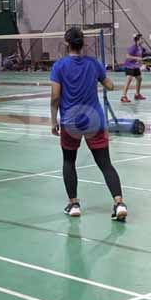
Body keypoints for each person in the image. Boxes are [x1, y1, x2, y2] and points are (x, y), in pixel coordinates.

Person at [51, 27, 127, 221]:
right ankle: (119, 203)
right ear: (83, 43)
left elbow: (55, 97)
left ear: (67, 43)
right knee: (106, 164)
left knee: (69, 161)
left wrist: (54, 120)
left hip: (70, 122)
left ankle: (74, 203)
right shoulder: (94, 64)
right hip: (95, 121)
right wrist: (101, 78)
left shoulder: (59, 66)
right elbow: (110, 85)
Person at [120, 33, 148, 103]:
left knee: (139, 78)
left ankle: (137, 95)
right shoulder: (133, 47)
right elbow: (127, 56)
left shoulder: (140, 48)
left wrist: (141, 63)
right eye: (141, 38)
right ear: (137, 40)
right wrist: (137, 58)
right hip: (129, 65)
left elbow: (141, 56)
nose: (143, 39)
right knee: (129, 79)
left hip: (135, 66)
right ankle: (123, 96)